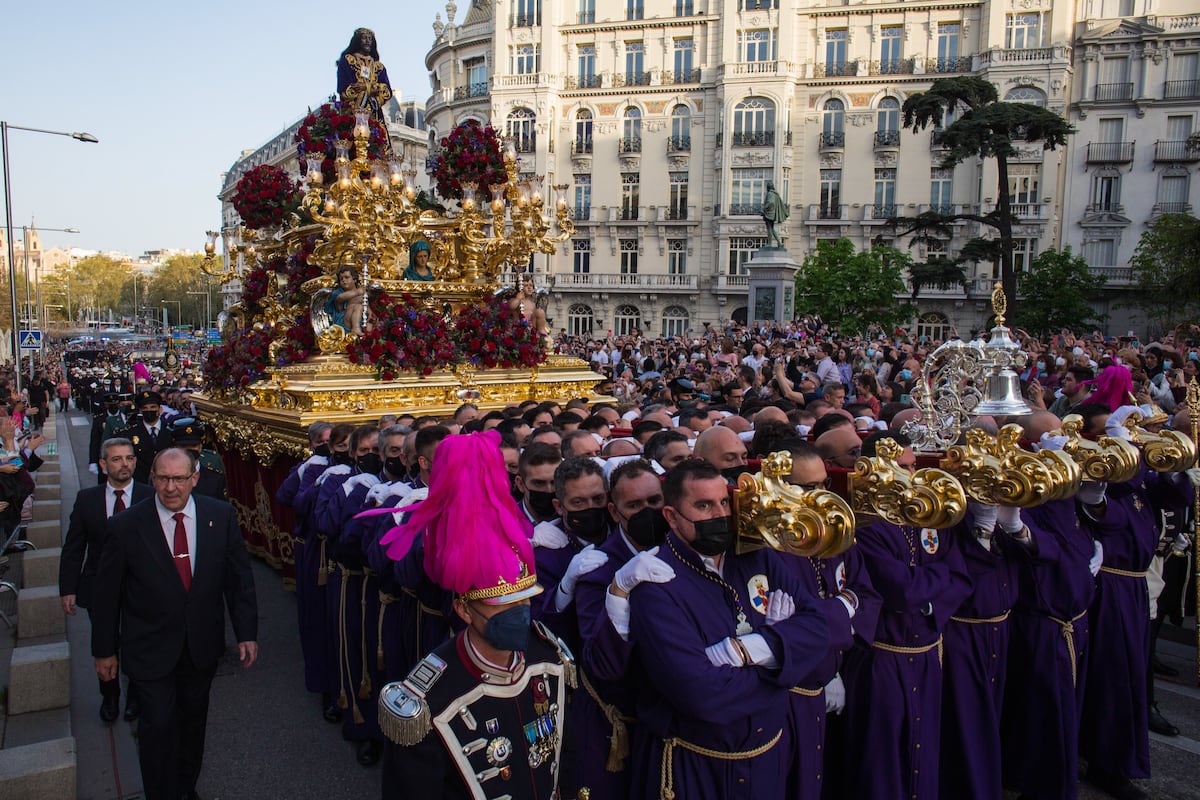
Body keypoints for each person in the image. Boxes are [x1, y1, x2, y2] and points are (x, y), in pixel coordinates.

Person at [378, 432, 573, 800]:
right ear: (464, 610)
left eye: (524, 601)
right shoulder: (429, 697)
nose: (520, 613)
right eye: (503, 606)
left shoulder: (549, 657)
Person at [625, 459, 829, 799]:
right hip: (698, 765)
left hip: (767, 754)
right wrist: (785, 666)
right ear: (672, 517)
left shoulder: (756, 557)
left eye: (723, 502)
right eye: (703, 506)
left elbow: (818, 629)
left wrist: (752, 649)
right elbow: (701, 694)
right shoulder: (656, 582)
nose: (719, 514)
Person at [90, 448, 258, 800]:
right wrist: (104, 651)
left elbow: (238, 578)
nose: (170, 487)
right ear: (151, 479)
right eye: (163, 479)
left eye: (179, 479)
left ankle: (185, 788)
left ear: (194, 479)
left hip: (200, 648)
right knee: (158, 727)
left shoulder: (220, 515)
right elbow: (107, 596)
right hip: (149, 650)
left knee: (192, 724)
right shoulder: (125, 526)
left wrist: (246, 633)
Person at [59, 437, 153, 723]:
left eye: (129, 458)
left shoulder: (150, 497)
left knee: (138, 644)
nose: (124, 464)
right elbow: (74, 549)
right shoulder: (87, 500)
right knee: (105, 644)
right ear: (103, 464)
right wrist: (68, 588)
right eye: (116, 459)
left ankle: (136, 697)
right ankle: (110, 696)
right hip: (100, 588)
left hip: (141, 588)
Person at [337, 27, 393, 149]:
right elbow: (344, 89)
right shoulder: (347, 61)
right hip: (352, 111)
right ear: (357, 41)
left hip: (374, 113)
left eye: (370, 39)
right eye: (364, 38)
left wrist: (365, 88)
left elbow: (387, 91)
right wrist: (372, 90)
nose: (367, 41)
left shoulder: (378, 67)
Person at [115, 390, 174, 485]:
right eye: (145, 408)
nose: (149, 411)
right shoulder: (129, 434)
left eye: (153, 407)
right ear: (140, 411)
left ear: (160, 410)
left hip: (167, 482)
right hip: (140, 483)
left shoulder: (171, 431)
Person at [328, 265, 367, 335]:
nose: (343, 280)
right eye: (341, 279)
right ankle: (355, 328)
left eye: (347, 277)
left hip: (362, 321)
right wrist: (357, 292)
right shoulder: (337, 293)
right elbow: (340, 298)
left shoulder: (362, 294)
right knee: (358, 306)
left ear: (354, 279)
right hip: (343, 323)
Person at [761, 180, 788, 248]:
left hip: (769, 213)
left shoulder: (770, 193)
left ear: (768, 187)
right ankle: (779, 242)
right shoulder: (775, 194)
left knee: (769, 228)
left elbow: (771, 202)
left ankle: (769, 244)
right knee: (772, 228)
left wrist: (764, 208)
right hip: (772, 213)